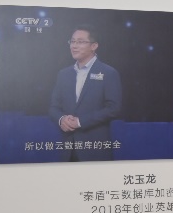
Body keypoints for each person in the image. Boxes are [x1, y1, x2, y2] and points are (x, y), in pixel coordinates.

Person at [48, 25, 123, 161]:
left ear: (94, 46)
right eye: (72, 41)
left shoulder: (108, 73)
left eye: (80, 42)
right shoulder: (63, 74)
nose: (74, 46)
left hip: (95, 150)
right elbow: (54, 107)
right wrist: (61, 119)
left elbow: (113, 109)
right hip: (67, 150)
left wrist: (80, 122)